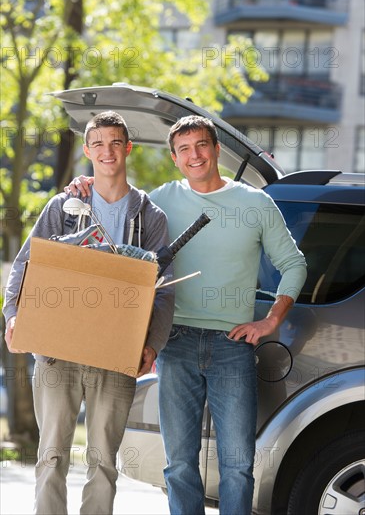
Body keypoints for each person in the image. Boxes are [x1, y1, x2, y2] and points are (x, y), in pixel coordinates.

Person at [65, 115, 307, 515]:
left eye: (201, 146)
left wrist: (271, 321)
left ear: (215, 149)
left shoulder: (255, 204)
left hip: (234, 345)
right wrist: (84, 186)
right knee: (179, 465)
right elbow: (121, 239)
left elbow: (294, 265)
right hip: (174, 342)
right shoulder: (160, 200)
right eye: (184, 149)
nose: (194, 155)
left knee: (238, 465)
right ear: (175, 159)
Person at [3, 111, 174, 515]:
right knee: (51, 457)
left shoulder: (150, 217)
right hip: (57, 351)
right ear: (87, 151)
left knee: (103, 462)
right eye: (98, 144)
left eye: (115, 143)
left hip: (117, 355)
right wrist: (14, 315)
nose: (107, 151)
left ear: (128, 148)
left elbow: (164, 293)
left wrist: (152, 343)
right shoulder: (64, 207)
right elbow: (26, 265)